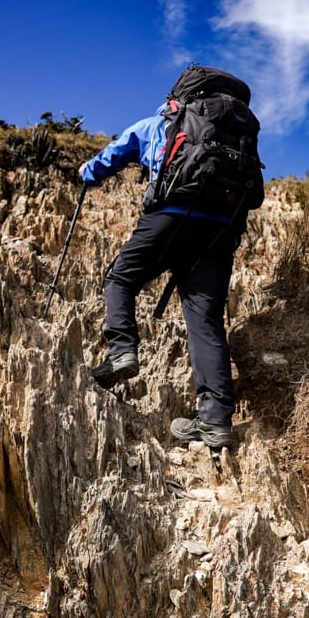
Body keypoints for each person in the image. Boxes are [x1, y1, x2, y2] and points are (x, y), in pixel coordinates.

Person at [79, 92, 255, 451]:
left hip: (170, 217)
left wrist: (87, 173)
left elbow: (115, 153)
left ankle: (122, 350)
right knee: (206, 323)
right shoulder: (236, 134)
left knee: (121, 278)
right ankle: (215, 421)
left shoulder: (161, 122)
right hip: (220, 231)